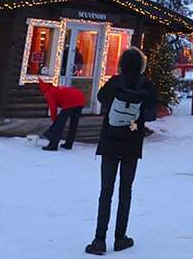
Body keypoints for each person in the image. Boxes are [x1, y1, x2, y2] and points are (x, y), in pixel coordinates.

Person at [85, 47, 158, 256]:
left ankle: (99, 240)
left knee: (105, 191)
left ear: (122, 63)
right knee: (126, 191)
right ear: (141, 65)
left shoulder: (115, 82)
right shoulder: (146, 85)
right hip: (132, 144)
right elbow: (153, 111)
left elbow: (100, 98)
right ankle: (120, 238)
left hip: (110, 140)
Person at [36, 80, 88, 151]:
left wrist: (54, 120)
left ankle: (53, 145)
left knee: (59, 125)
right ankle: (68, 144)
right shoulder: (55, 89)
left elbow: (53, 108)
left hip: (70, 101)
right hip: (81, 99)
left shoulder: (49, 93)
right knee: (74, 124)